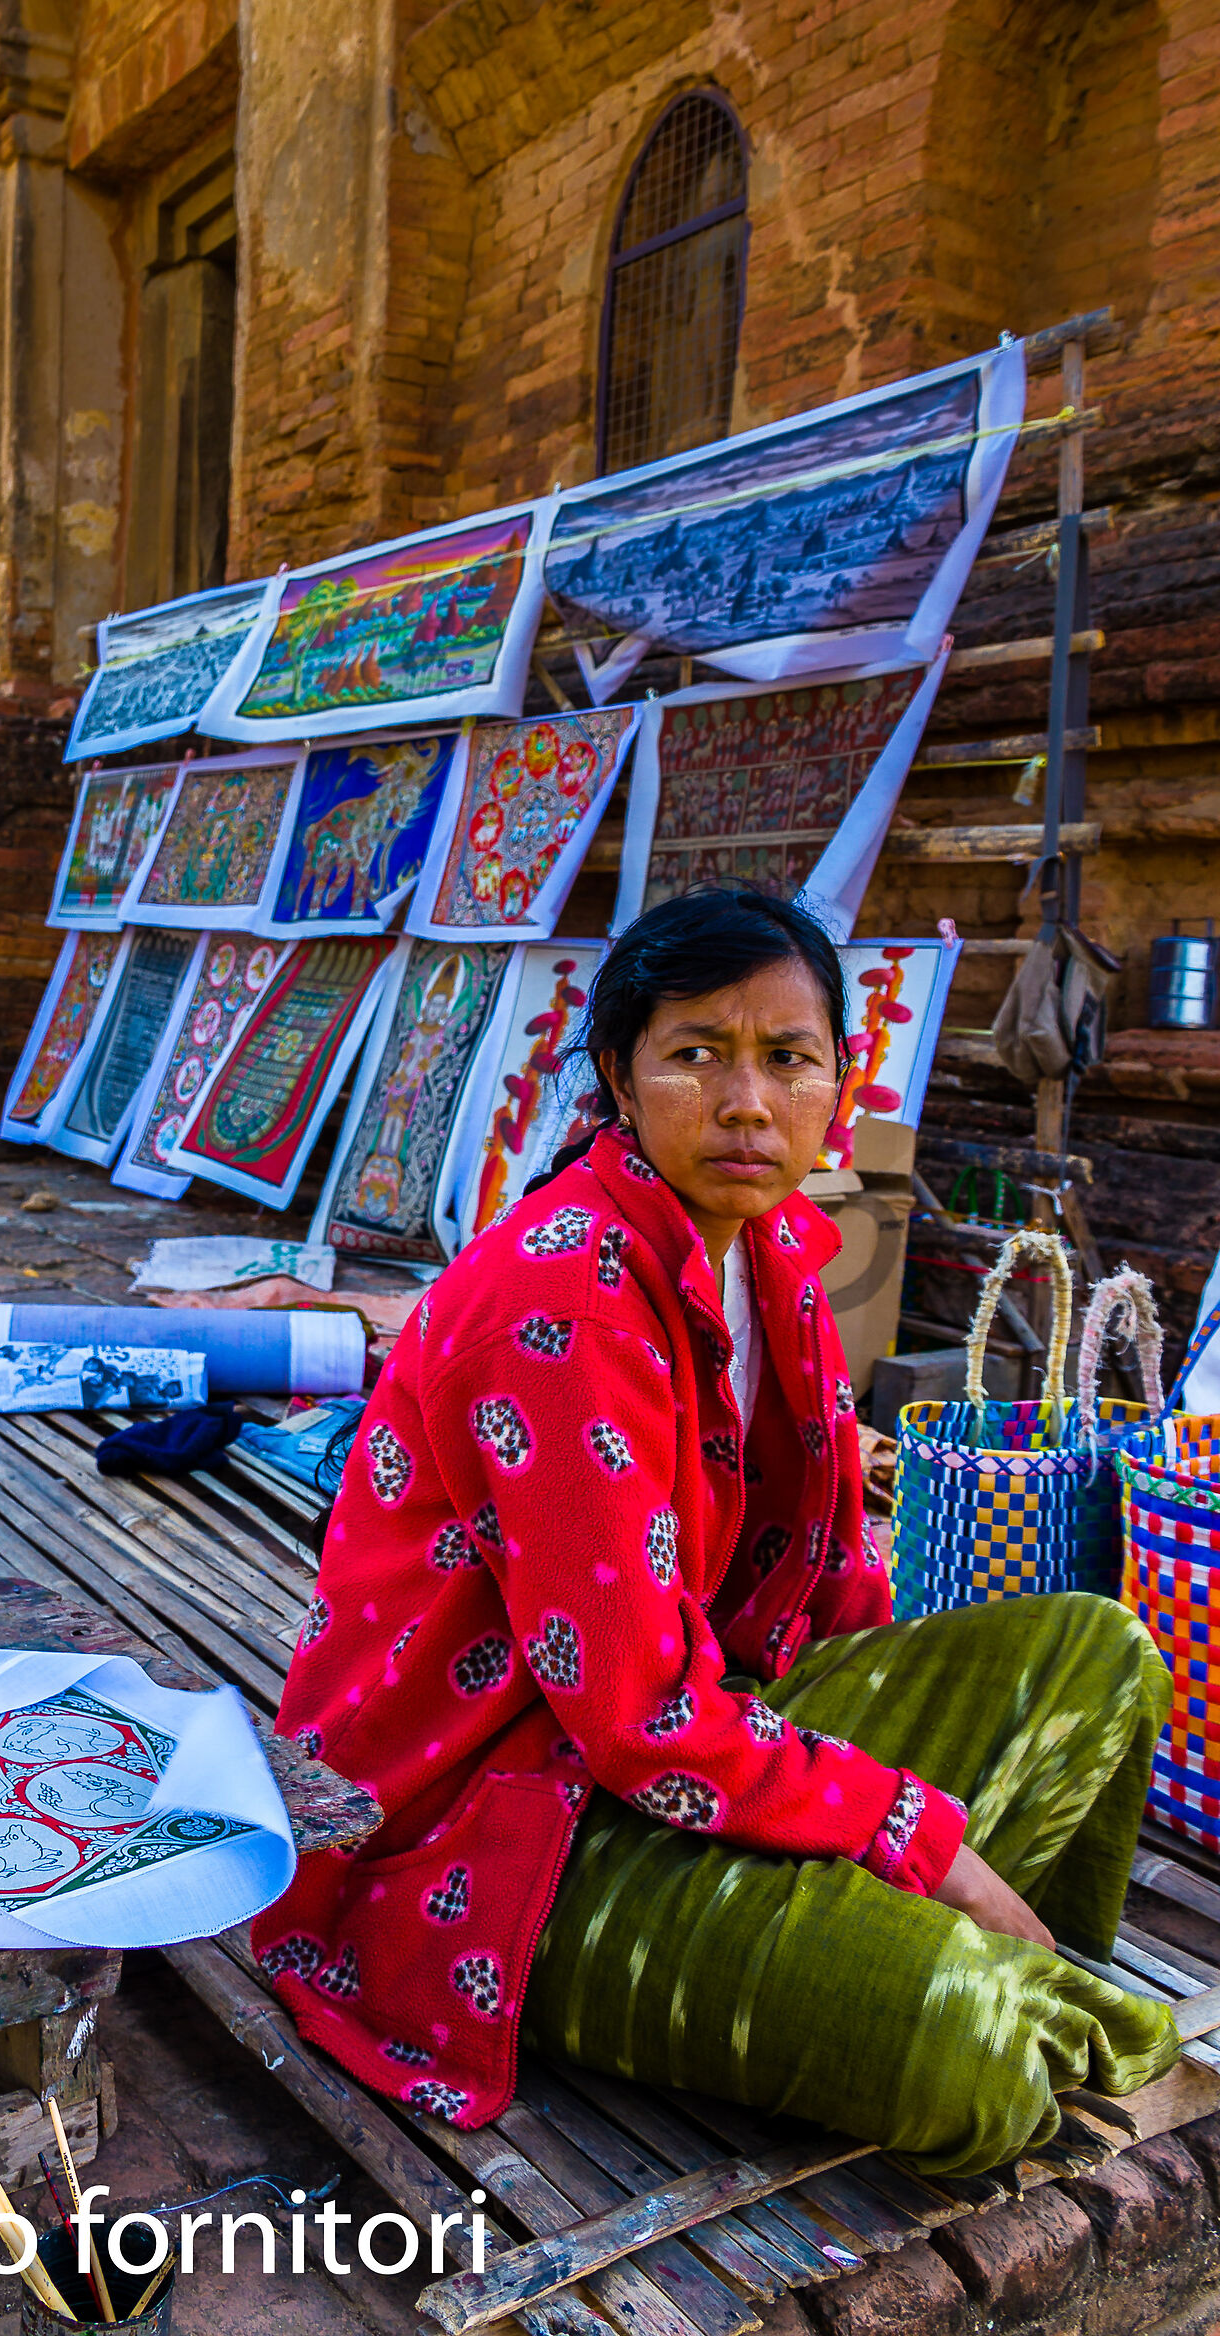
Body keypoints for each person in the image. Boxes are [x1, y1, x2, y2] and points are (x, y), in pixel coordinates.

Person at [253, 889, 1179, 2174]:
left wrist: (880, 1785)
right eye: (696, 1054)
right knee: (961, 2041)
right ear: (618, 1080)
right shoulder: (562, 1303)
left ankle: (966, 1964)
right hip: (498, 1824)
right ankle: (952, 1980)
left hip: (703, 1728)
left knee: (1098, 1653)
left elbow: (832, 1587)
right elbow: (636, 1715)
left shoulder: (774, 1248)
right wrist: (925, 1841)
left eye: (788, 1059)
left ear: (837, 1080)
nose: (747, 1103)